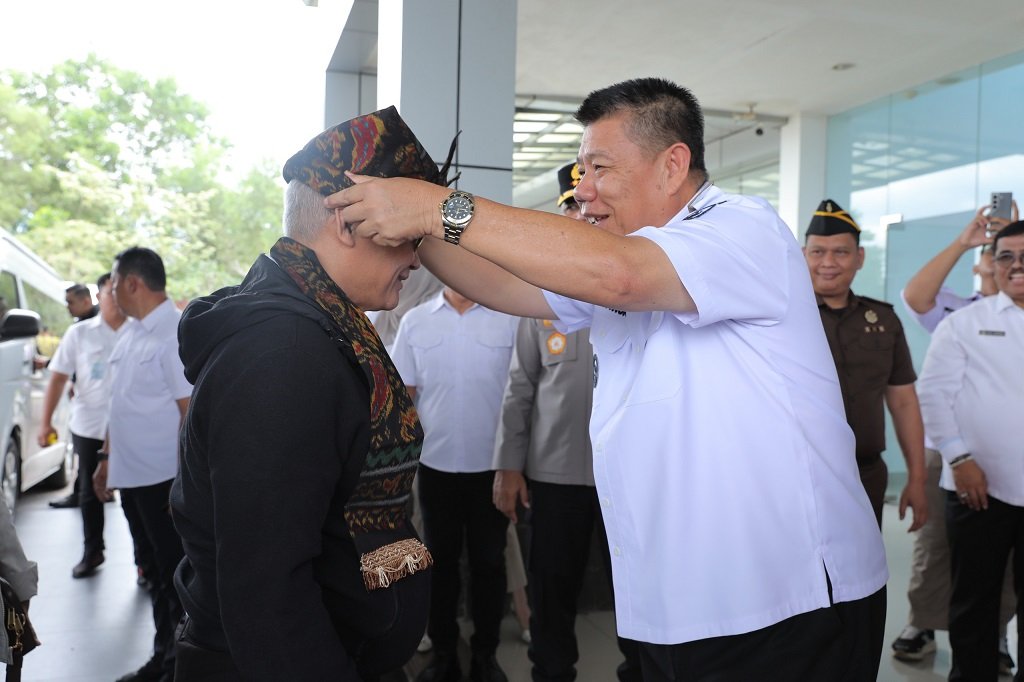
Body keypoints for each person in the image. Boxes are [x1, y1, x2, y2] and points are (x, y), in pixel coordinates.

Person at [330, 77, 888, 681]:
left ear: (673, 165)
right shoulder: (622, 254)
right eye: (580, 168)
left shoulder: (740, 229)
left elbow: (619, 276)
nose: (584, 190)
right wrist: (412, 225)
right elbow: (501, 283)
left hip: (781, 602)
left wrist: (438, 208)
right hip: (677, 604)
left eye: (599, 167)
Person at [171, 106, 447, 681]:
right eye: (407, 237)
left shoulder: (320, 324)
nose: (417, 259)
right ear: (347, 224)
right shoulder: (284, 355)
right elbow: (268, 594)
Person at [492, 161, 642, 682]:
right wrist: (509, 467)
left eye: (589, 207)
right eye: (572, 209)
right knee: (552, 589)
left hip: (627, 477)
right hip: (556, 477)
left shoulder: (639, 293)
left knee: (636, 592)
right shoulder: (539, 303)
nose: (583, 217)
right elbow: (520, 389)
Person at [891, 204, 1017, 671]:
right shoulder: (957, 311)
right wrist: (966, 241)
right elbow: (915, 295)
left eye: (1006, 252)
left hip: (1009, 463)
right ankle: (921, 622)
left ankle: (997, 634)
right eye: (997, 254)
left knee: (998, 561)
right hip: (950, 451)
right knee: (937, 543)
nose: (999, 259)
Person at [390, 286, 518, 682]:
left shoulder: (509, 316)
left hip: (492, 467)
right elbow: (403, 399)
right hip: (435, 467)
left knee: (489, 565)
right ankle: (444, 655)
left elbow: (522, 391)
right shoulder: (415, 321)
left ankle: (485, 656)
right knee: (439, 565)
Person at [92, 248, 192, 682]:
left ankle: (179, 666)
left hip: (164, 482)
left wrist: (186, 485)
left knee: (176, 578)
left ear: (133, 283)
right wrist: (105, 460)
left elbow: (191, 414)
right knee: (152, 572)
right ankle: (162, 656)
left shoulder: (174, 332)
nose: (109, 294)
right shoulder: (132, 333)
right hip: (132, 477)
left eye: (113, 286)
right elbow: (120, 404)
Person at [802, 199, 928, 529]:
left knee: (869, 577)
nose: (828, 262)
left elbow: (903, 402)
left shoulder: (884, 319)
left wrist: (916, 478)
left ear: (860, 257)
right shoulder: (781, 319)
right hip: (799, 475)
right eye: (817, 252)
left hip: (867, 474)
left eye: (841, 252)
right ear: (803, 255)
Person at [37, 273, 127, 578]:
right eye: (108, 293)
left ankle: (144, 560)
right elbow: (59, 377)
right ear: (99, 298)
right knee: (90, 492)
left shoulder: (139, 331)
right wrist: (45, 422)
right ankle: (93, 552)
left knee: (136, 495)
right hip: (90, 426)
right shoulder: (81, 334)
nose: (114, 298)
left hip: (132, 429)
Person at [47, 282, 101, 509]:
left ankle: (84, 493)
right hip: (87, 408)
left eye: (70, 302)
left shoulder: (97, 326)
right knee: (87, 463)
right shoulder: (81, 326)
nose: (67, 307)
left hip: (97, 410)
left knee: (90, 464)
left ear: (86, 301)